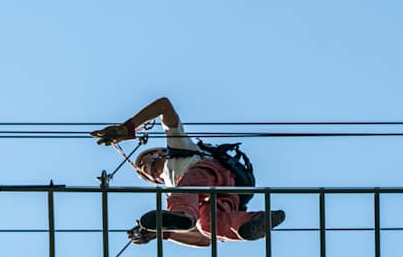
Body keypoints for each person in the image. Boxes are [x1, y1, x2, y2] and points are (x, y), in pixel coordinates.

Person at [90, 97, 284, 247]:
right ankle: (253, 222)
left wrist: (128, 128)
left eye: (144, 161)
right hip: (223, 194)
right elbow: (205, 240)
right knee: (208, 225)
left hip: (209, 173)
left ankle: (182, 216)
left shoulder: (177, 148)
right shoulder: (173, 188)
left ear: (159, 153)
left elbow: (164, 105)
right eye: (142, 172)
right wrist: (161, 233)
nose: (143, 168)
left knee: (187, 190)